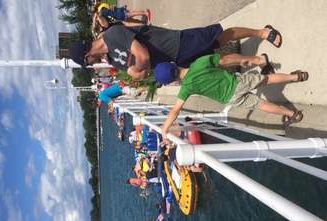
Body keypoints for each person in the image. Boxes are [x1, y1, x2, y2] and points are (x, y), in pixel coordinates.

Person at [154, 53, 308, 143]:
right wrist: (245, 60)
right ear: (174, 64)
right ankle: (296, 76)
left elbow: (175, 110)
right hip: (236, 83)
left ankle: (292, 114)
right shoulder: (199, 63)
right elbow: (226, 60)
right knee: (266, 80)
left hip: (229, 98)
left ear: (173, 82)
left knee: (259, 105)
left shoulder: (186, 88)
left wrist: (165, 129)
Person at [70, 23, 283, 79]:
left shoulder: (113, 35)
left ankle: (262, 32)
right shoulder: (112, 60)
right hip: (174, 58)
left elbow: (142, 56)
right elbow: (143, 72)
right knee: (217, 59)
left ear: (87, 54)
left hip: (174, 42)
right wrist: (138, 70)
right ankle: (258, 60)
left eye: (88, 62)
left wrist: (136, 68)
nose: (91, 64)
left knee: (218, 38)